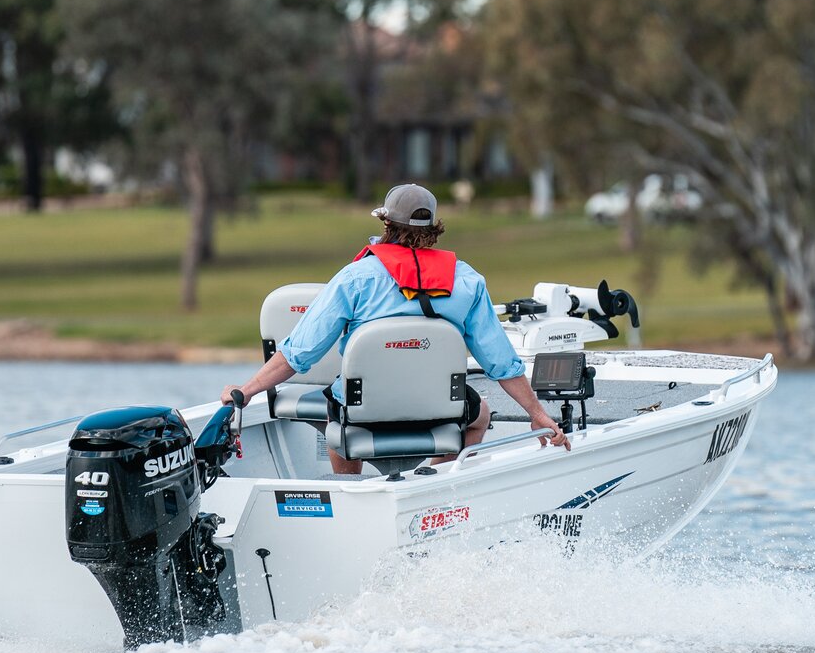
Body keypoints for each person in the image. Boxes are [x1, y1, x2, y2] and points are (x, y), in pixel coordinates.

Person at [222, 183, 566, 474]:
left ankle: (348, 490)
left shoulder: (355, 279)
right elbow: (500, 362)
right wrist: (536, 414)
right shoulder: (467, 281)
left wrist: (247, 390)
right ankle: (437, 480)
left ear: (385, 222)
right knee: (480, 414)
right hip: (438, 412)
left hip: (363, 415)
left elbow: (298, 355)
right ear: (434, 229)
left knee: (336, 413)